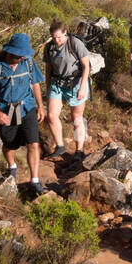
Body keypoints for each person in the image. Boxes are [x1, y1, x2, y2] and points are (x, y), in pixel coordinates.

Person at [0, 32, 46, 197]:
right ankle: (12, 166)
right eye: (19, 55)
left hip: (27, 108)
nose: (22, 57)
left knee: (33, 143)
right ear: (10, 52)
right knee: (10, 144)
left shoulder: (28, 62)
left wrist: (40, 106)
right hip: (5, 111)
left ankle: (35, 180)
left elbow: (35, 83)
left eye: (24, 55)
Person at [43, 20, 91, 161]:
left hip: (76, 82)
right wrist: (47, 89)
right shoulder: (49, 47)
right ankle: (60, 146)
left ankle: (79, 150)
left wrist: (82, 88)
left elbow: (86, 67)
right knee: (51, 115)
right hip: (57, 83)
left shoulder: (75, 43)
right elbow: (48, 69)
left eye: (59, 37)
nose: (56, 40)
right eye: (54, 37)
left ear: (65, 33)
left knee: (76, 117)